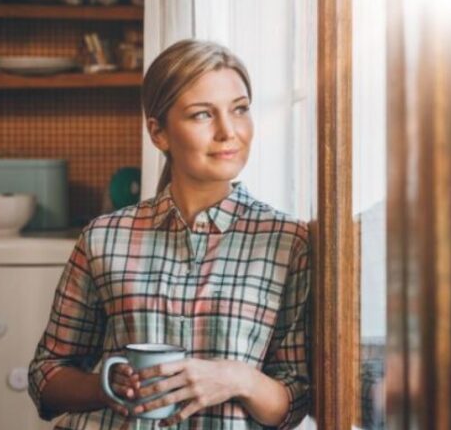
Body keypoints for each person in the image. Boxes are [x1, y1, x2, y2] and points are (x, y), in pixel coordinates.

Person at [28, 39, 311, 429]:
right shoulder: (103, 238)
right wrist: (107, 385)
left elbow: (296, 401)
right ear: (158, 133)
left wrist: (235, 378)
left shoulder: (289, 241)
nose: (229, 131)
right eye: (202, 115)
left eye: (240, 109)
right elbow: (46, 378)